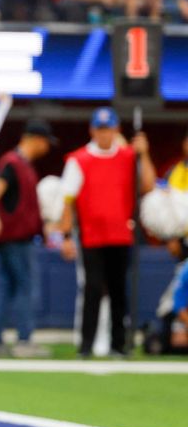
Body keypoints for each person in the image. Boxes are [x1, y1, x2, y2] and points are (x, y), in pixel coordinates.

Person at [58, 107, 155, 358]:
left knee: (118, 292)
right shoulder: (78, 159)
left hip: (121, 235)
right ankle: (86, 345)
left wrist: (143, 155)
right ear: (92, 130)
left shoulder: (127, 156)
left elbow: (148, 185)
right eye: (100, 129)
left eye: (108, 129)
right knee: (92, 290)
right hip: (91, 236)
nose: (104, 134)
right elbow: (67, 201)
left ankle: (118, 344)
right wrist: (67, 236)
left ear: (116, 130)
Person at [0, 119, 57, 356]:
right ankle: (24, 340)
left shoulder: (22, 164)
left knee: (7, 286)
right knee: (26, 287)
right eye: (45, 142)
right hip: (15, 238)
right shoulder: (12, 162)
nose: (47, 147)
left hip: (15, 237)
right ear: (36, 139)